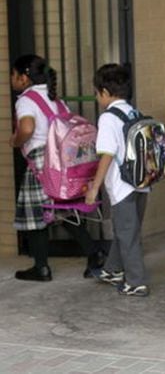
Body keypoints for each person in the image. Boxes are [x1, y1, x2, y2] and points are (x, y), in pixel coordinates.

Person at [10, 54, 104, 282]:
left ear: (24, 77)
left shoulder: (25, 100)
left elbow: (27, 128)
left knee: (36, 213)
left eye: (13, 75)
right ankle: (95, 255)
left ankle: (41, 267)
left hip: (42, 162)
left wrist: (15, 141)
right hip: (64, 162)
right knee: (64, 211)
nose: (11, 80)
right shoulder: (55, 98)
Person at [86, 64, 151, 297]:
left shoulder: (108, 119)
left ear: (104, 92)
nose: (96, 97)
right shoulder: (134, 112)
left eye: (96, 92)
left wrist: (95, 187)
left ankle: (136, 282)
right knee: (127, 231)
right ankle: (112, 270)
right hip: (142, 183)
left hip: (122, 186)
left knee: (127, 233)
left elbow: (107, 154)